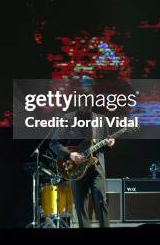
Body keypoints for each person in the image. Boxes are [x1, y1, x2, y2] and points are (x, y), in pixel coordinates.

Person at [48, 82, 115, 228]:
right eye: (85, 101)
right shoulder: (68, 119)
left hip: (97, 167)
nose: (88, 104)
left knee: (101, 200)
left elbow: (106, 143)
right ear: (79, 101)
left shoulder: (101, 119)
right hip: (76, 169)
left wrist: (110, 143)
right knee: (80, 206)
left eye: (90, 101)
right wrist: (70, 155)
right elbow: (54, 144)